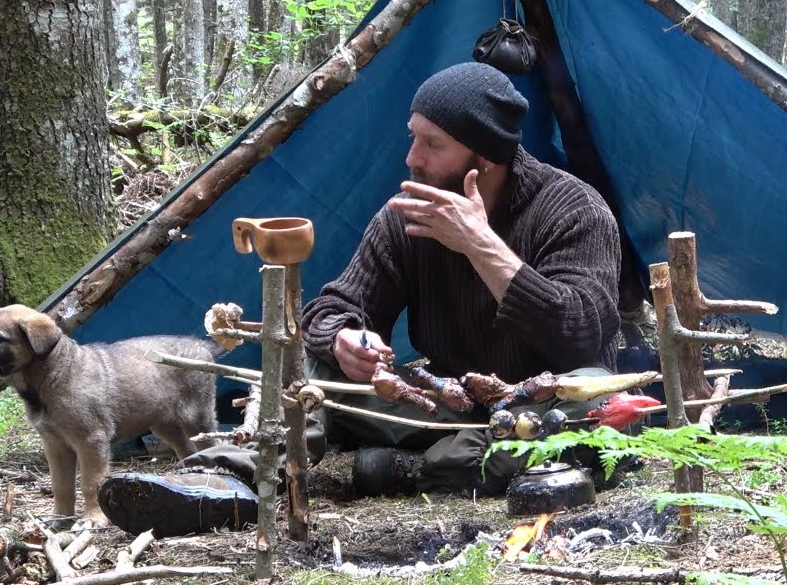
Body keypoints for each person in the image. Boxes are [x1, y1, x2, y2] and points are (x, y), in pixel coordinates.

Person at [96, 62, 624, 537]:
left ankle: (410, 470)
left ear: (481, 159)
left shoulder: (573, 211)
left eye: (432, 143)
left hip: (543, 407)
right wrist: (346, 338)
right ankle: (233, 481)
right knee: (311, 355)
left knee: (601, 412)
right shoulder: (405, 214)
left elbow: (580, 334)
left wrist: (481, 245)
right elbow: (332, 307)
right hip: (442, 403)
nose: (412, 157)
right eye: (413, 137)